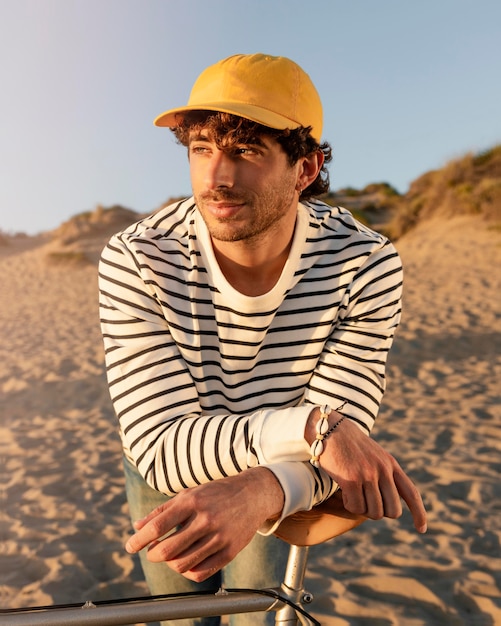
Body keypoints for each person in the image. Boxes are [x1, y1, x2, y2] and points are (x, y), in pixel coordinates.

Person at [99, 53, 427, 625]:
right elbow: (160, 443)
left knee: (259, 615)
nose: (217, 177)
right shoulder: (137, 258)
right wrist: (310, 430)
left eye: (246, 151)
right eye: (201, 148)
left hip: (282, 476)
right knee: (177, 614)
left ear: (306, 169)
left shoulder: (365, 263)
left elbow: (346, 436)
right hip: (171, 469)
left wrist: (268, 486)